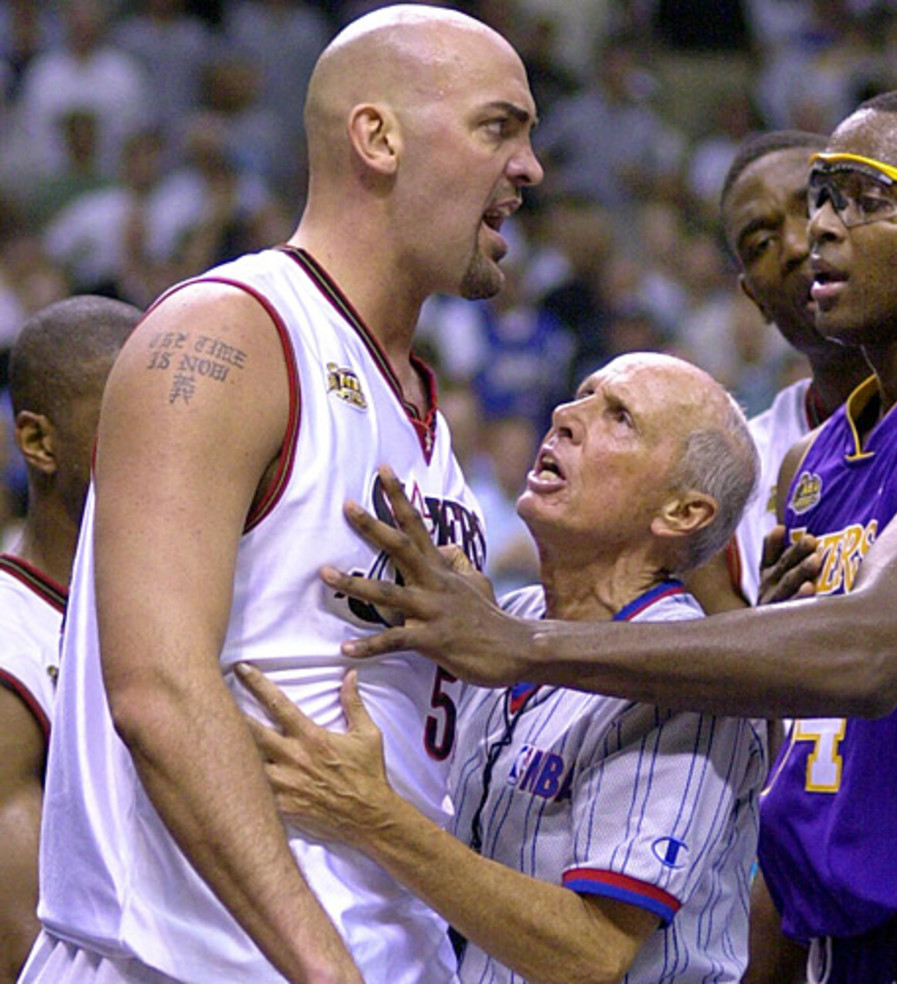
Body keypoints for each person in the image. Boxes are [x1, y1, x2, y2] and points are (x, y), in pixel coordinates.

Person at [317, 90, 897, 981]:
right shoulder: (817, 461)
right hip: (848, 945)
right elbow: (807, 780)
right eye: (822, 198)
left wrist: (521, 645)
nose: (821, 229)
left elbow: (873, 650)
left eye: (865, 200)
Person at [22, 5, 541, 984]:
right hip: (199, 964)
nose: (530, 168)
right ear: (377, 137)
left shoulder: (422, 408)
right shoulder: (235, 331)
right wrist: (330, 972)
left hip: (379, 948)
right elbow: (159, 694)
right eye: (498, 128)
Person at [237, 351, 768, 984]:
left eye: (620, 417)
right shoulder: (507, 619)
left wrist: (371, 814)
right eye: (583, 394)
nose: (566, 415)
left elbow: (590, 954)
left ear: (681, 513)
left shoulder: (690, 684)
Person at [0, 295, 139, 983]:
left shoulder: (191, 603)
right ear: (38, 442)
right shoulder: (12, 642)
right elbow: (19, 945)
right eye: (126, 419)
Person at [687, 128, 868, 614]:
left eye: (814, 206)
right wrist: (769, 634)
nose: (795, 245)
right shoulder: (729, 477)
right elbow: (728, 656)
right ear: (755, 299)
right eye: (762, 242)